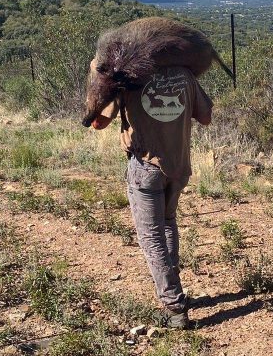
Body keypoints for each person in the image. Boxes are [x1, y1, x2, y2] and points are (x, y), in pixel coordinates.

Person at [89, 60, 212, 328]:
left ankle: (174, 307)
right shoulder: (184, 74)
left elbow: (97, 122)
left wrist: (97, 76)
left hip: (146, 166)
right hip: (179, 166)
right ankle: (176, 291)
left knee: (151, 236)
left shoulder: (128, 77)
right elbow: (205, 116)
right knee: (167, 224)